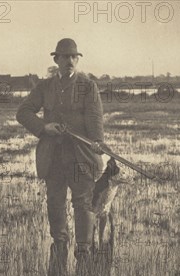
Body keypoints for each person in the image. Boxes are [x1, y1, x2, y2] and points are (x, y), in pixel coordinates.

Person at [16, 38, 108, 262]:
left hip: (81, 155)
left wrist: (97, 142)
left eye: (73, 57)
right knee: (55, 199)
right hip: (53, 156)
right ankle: (59, 241)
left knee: (83, 200)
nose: (69, 60)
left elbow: (95, 118)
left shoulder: (88, 86)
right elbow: (23, 112)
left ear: (77, 60)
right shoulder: (44, 87)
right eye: (64, 56)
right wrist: (43, 128)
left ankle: (84, 248)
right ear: (56, 59)